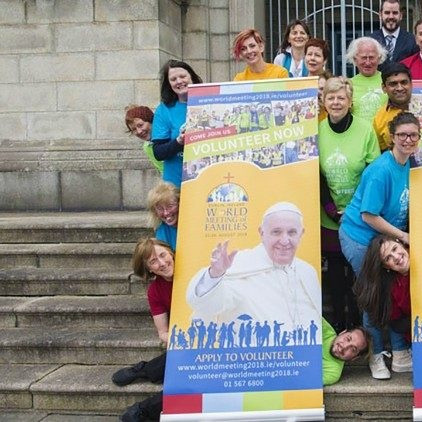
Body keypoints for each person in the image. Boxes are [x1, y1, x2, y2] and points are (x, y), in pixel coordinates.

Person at [186, 202, 321, 338]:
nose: (285, 240)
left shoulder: (307, 272)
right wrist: (215, 275)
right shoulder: (239, 265)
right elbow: (209, 305)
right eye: (276, 232)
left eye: (292, 232)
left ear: (301, 233)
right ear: (262, 233)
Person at [318, 76, 380, 331]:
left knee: (359, 273)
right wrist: (333, 212)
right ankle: (337, 328)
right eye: (331, 97)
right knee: (335, 275)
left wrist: (353, 210)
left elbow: (372, 173)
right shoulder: (317, 130)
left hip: (359, 216)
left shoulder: (365, 129)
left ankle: (359, 328)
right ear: (324, 101)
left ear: (350, 101)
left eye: (341, 98)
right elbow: (316, 175)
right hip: (329, 215)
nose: (336, 102)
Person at [339, 112, 420, 276]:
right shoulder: (381, 171)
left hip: (383, 240)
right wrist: (404, 236)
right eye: (402, 135)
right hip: (360, 238)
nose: (408, 140)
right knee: (370, 286)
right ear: (392, 137)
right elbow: (368, 216)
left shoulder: (406, 163)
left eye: (413, 135)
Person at [115, 238, 175, 421]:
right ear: (149, 269)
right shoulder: (155, 291)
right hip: (186, 338)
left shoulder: (195, 272)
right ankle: (144, 371)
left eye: (163, 255)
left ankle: (144, 409)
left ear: (171, 252)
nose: (162, 263)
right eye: (153, 261)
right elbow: (163, 332)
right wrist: (180, 341)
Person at [354, 234, 412, 380]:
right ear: (386, 266)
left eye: (395, 248)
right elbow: (398, 323)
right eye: (388, 258)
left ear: (401, 243)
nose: (396, 257)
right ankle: (383, 355)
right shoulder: (393, 287)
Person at [151, 60, 203, 188]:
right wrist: (179, 142)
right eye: (173, 79)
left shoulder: (210, 101)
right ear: (169, 84)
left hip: (207, 181)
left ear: (192, 77)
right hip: (176, 184)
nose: (179, 81)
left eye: (183, 76)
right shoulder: (163, 110)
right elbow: (158, 153)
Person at [373, 63, 412, 151]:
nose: (399, 88)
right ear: (384, 88)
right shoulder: (380, 118)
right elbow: (380, 152)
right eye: (393, 84)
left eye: (404, 82)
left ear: (411, 84)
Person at [348, 37, 388, 122]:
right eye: (363, 58)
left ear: (379, 58)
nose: (368, 62)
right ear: (355, 59)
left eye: (371, 57)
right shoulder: (348, 84)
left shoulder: (389, 81)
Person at [368, 0, 419, 66]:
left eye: (395, 13)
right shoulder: (370, 40)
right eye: (387, 13)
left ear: (401, 16)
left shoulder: (412, 40)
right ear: (380, 15)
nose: (391, 17)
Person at [323, 317, 370, 385]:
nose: (345, 347)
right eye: (348, 339)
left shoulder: (332, 373)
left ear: (354, 358)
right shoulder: (323, 327)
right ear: (342, 332)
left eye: (353, 349)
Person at [125, 105, 162, 174]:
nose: (139, 131)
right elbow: (163, 170)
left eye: (140, 125)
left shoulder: (171, 135)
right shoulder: (147, 147)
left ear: (151, 121)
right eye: (134, 129)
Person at [147, 182, 179, 251]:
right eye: (160, 208)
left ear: (179, 203)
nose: (166, 213)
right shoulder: (162, 231)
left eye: (170, 206)